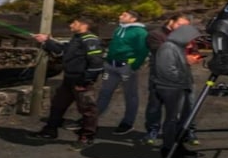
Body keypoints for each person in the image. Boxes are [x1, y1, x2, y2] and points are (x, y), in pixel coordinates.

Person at [32, 17, 104, 149]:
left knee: (88, 110)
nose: (71, 25)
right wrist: (46, 41)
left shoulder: (90, 40)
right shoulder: (76, 38)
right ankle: (50, 131)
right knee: (57, 105)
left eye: (74, 23)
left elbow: (97, 63)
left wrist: (85, 80)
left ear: (83, 25)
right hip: (69, 79)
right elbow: (62, 50)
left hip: (81, 81)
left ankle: (87, 137)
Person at [155, 23, 203, 158]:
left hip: (178, 87)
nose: (191, 43)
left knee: (181, 119)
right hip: (172, 89)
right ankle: (169, 149)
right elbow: (168, 71)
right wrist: (183, 80)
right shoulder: (168, 48)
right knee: (172, 119)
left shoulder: (176, 48)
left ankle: (177, 147)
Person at [97, 9, 149, 135]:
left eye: (124, 15)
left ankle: (128, 122)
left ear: (133, 19)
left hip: (126, 67)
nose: (120, 16)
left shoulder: (140, 32)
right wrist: (107, 59)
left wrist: (134, 66)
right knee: (104, 93)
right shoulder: (118, 29)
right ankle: (91, 119)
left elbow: (143, 50)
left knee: (130, 95)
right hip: (111, 65)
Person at [144, 12, 192, 144]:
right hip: (160, 75)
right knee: (155, 105)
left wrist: (193, 57)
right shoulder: (155, 34)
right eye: (180, 25)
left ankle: (185, 130)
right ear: (171, 21)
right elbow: (161, 53)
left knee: (186, 105)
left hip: (183, 75)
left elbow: (193, 51)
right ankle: (152, 130)